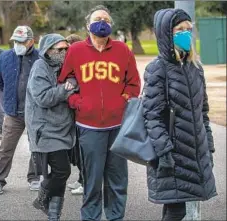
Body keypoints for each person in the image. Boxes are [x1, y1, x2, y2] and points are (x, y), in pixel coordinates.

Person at [58, 5, 141, 221]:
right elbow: (63, 82)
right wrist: (78, 102)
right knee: (92, 180)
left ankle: (115, 216)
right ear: (88, 26)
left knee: (117, 179)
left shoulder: (123, 50)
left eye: (106, 19)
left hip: (117, 127)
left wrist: (121, 102)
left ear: (111, 26)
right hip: (88, 127)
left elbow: (133, 84)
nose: (102, 22)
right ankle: (91, 217)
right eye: (97, 19)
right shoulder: (75, 51)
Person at [142, 8, 217, 221]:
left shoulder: (195, 67)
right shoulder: (158, 69)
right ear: (166, 33)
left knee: (182, 209)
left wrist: (208, 146)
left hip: (195, 151)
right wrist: (164, 151)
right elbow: (152, 116)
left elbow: (202, 112)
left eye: (189, 29)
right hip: (172, 154)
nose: (186, 34)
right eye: (180, 30)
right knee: (176, 210)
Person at [26, 33, 78, 220]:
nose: (64, 52)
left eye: (66, 49)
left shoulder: (66, 66)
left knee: (59, 174)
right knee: (62, 171)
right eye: (60, 49)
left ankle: (54, 214)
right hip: (46, 130)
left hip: (64, 129)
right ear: (48, 50)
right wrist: (67, 88)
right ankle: (41, 197)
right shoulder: (40, 67)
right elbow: (43, 97)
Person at [0, 26, 41, 195]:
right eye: (15, 42)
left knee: (36, 147)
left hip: (35, 112)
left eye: (21, 42)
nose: (17, 44)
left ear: (31, 42)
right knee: (6, 148)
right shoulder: (5, 57)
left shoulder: (40, 58)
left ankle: (34, 177)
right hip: (13, 112)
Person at [64, 33, 84, 196]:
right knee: (77, 151)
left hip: (83, 114)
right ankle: (81, 178)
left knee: (83, 152)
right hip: (74, 114)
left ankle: (85, 181)